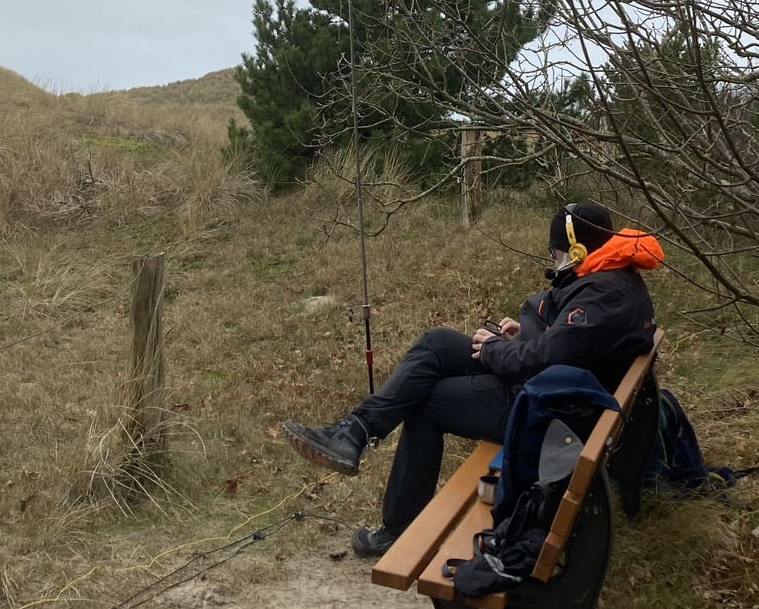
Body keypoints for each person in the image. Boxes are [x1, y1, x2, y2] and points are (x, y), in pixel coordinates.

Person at [282, 201, 663, 557]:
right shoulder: (610, 278)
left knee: (427, 405)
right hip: (555, 390)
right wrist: (525, 335)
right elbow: (564, 337)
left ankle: (398, 529)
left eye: (555, 253)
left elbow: (543, 360)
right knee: (437, 344)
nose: (554, 260)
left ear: (577, 250)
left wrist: (496, 349)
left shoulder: (603, 295)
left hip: (549, 412)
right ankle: (356, 431)